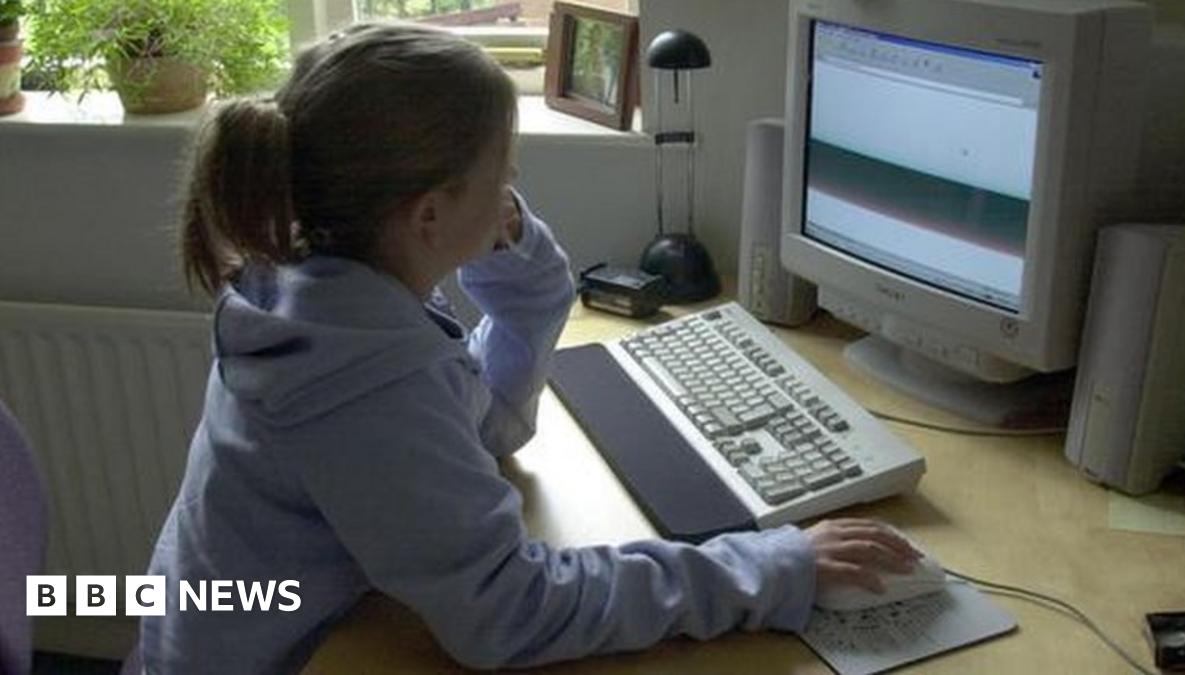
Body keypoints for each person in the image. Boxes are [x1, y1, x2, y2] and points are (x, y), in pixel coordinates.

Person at [140, 22, 921, 674]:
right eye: (501, 175)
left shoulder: (323, 288)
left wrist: (508, 245)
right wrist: (770, 567)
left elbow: (487, 424)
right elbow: (509, 612)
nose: (512, 188)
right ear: (428, 217)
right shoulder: (364, 382)